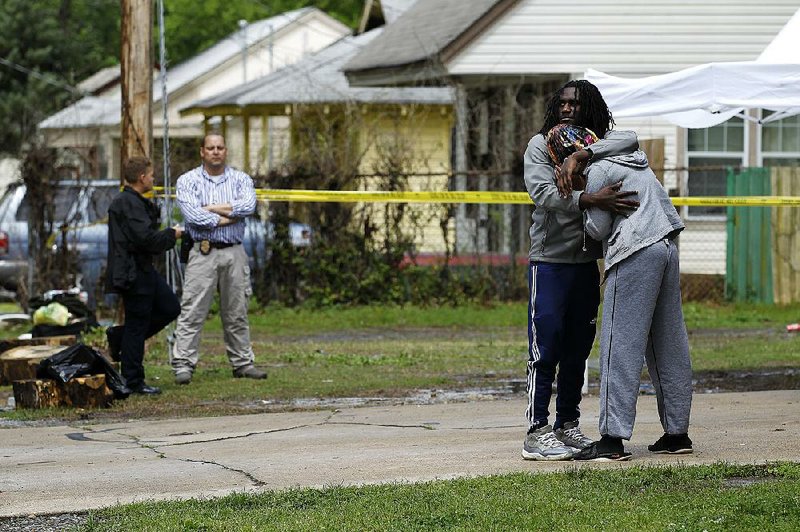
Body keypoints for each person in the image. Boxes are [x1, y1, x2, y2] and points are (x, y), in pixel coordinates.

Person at [543, 124, 693, 461]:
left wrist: (583, 194)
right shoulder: (632, 158)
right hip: (666, 244)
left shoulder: (597, 171)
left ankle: (611, 439)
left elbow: (599, 227)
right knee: (668, 341)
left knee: (618, 343)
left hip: (634, 250)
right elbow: (627, 135)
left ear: (569, 160)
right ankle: (677, 433)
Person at [521, 80, 640, 461]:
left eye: (576, 103)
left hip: (586, 263)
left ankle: (567, 425)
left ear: (589, 108)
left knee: (577, 348)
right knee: (547, 345)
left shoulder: (596, 145)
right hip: (550, 262)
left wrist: (582, 156)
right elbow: (544, 193)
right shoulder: (541, 145)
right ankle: (537, 431)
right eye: (563, 103)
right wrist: (590, 198)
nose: (568, 109)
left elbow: (631, 138)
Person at [171, 133, 266, 384]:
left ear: (225, 151)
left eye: (220, 147)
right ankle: (183, 364)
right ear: (202, 151)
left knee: (236, 311)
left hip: (235, 251)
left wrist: (210, 208)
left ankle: (243, 363)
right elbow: (193, 216)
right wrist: (228, 214)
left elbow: (248, 207)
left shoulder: (241, 179)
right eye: (210, 148)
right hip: (203, 251)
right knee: (193, 310)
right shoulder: (187, 181)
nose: (215, 151)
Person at [105, 156, 182, 395]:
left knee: (170, 307)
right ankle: (133, 381)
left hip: (144, 269)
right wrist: (173, 234)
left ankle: (120, 337)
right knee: (137, 326)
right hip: (132, 272)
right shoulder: (127, 203)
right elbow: (146, 240)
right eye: (151, 175)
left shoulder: (136, 202)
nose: (153, 179)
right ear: (141, 177)